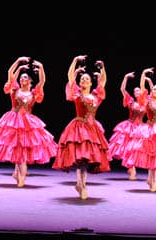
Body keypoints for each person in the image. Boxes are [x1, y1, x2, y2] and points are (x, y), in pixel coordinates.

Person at [0, 56, 57, 187]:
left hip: (28, 122)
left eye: (25, 77)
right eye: (21, 77)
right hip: (14, 120)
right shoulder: (14, 90)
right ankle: (19, 176)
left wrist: (41, 67)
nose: (22, 79)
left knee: (23, 148)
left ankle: (20, 177)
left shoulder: (34, 93)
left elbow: (42, 81)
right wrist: (18, 62)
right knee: (16, 146)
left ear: (30, 81)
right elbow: (10, 74)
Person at [52, 55, 110, 200]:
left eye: (86, 79)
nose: (84, 80)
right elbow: (70, 76)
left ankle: (82, 184)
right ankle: (81, 185)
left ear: (91, 83)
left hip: (92, 129)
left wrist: (102, 68)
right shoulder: (77, 94)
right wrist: (75, 61)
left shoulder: (96, 96)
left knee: (86, 160)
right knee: (80, 158)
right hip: (78, 128)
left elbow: (103, 82)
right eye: (82, 79)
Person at [108, 71, 153, 180]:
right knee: (128, 149)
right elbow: (122, 90)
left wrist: (149, 81)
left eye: (139, 90)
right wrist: (125, 77)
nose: (137, 91)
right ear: (133, 93)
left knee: (136, 149)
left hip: (141, 128)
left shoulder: (146, 102)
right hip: (130, 127)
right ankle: (132, 170)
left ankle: (133, 168)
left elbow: (152, 93)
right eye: (135, 90)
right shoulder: (131, 102)